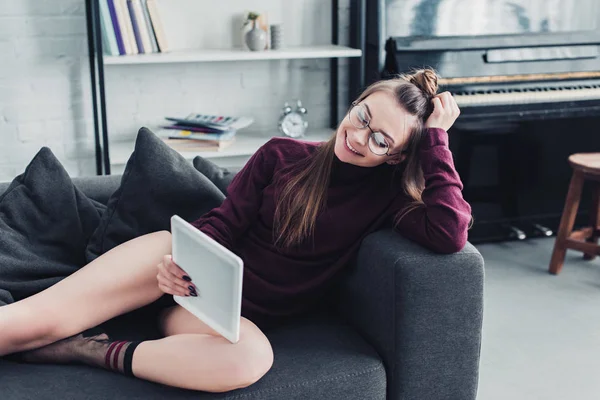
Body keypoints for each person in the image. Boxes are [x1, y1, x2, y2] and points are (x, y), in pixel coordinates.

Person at [0, 68, 471, 393]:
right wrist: (175, 265)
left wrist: (436, 141)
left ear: (396, 156)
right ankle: (64, 335)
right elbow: (224, 224)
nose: (359, 137)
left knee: (247, 360)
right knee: (26, 324)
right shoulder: (283, 155)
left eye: (381, 140)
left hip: (218, 316)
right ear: (357, 103)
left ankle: (87, 351)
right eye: (363, 117)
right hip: (174, 268)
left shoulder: (387, 200)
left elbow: (450, 232)